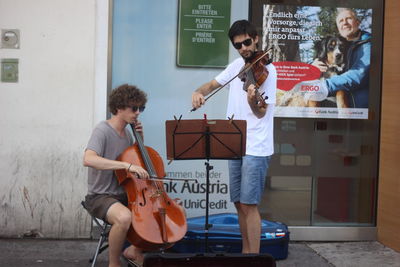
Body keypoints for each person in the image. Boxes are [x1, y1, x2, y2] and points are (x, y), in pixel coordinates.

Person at [191, 20, 277, 253]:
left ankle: (254, 257)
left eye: (247, 43)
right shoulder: (237, 66)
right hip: (233, 143)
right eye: (238, 45)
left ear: (256, 39)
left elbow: (261, 112)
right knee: (239, 204)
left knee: (250, 204)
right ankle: (245, 253)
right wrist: (198, 92)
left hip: (255, 146)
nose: (244, 49)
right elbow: (211, 84)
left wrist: (252, 99)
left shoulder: (268, 71)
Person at [83, 84, 149, 267]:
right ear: (119, 107)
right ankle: (114, 263)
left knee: (163, 215)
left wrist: (139, 141)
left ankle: (134, 250)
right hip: (100, 196)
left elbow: (135, 164)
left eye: (140, 108)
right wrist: (124, 165)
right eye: (134, 108)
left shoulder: (128, 134)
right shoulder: (102, 130)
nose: (138, 113)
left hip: (123, 195)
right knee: (124, 217)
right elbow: (88, 159)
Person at [312, 8, 371, 108]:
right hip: (332, 104)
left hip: (357, 107)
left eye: (348, 19)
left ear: (357, 22)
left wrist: (324, 86)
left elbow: (358, 74)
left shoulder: (368, 44)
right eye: (341, 21)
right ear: (338, 27)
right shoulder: (341, 42)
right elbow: (321, 55)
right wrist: (312, 65)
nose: (345, 23)